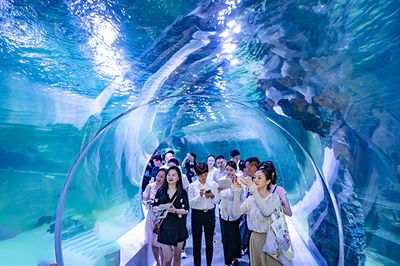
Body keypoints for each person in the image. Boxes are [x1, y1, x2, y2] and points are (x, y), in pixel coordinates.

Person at [232, 166, 282, 266]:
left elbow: (266, 211)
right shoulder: (250, 199)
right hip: (254, 238)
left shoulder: (274, 198)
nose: (255, 180)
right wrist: (237, 193)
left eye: (260, 178)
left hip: (270, 239)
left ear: (268, 181)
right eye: (254, 177)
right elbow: (235, 213)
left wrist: (254, 190)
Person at [153, 166, 189, 266]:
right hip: (165, 227)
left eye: (174, 175)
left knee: (177, 257)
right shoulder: (161, 191)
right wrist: (163, 208)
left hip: (179, 227)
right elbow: (154, 207)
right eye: (169, 175)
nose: (170, 177)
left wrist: (175, 210)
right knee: (167, 258)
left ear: (178, 178)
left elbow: (186, 210)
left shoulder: (182, 193)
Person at [188, 163, 219, 266]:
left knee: (209, 242)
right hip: (196, 215)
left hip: (209, 214)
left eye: (205, 174)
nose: (203, 177)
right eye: (201, 175)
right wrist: (200, 196)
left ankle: (209, 264)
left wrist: (212, 196)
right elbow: (190, 204)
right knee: (196, 243)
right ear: (197, 174)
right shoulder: (192, 186)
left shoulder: (213, 184)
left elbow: (217, 201)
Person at [218, 161, 244, 266]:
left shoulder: (239, 181)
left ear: (235, 170)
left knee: (235, 236)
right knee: (226, 237)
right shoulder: (221, 181)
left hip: (235, 212)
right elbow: (220, 196)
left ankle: (236, 257)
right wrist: (219, 190)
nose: (229, 172)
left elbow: (239, 197)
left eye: (231, 170)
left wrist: (233, 186)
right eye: (227, 169)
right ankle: (228, 260)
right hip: (223, 212)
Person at [143, 168, 167, 266]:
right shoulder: (150, 186)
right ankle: (157, 262)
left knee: (162, 243)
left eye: (162, 177)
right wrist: (147, 202)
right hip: (151, 216)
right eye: (158, 176)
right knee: (153, 242)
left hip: (162, 217)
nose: (159, 178)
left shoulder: (167, 189)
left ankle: (164, 262)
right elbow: (144, 199)